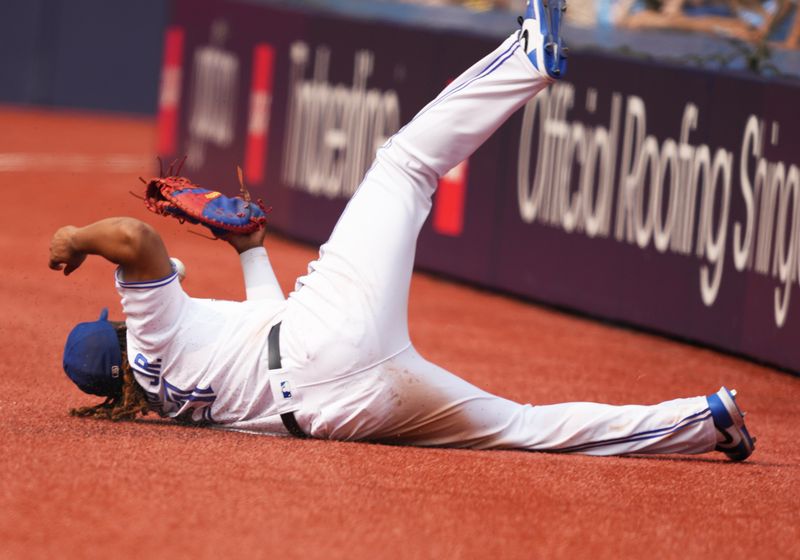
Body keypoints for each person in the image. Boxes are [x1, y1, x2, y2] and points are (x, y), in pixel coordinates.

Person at [49, 0, 755, 461]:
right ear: (118, 341)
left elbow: (258, 334)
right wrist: (77, 239)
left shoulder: (164, 398)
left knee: (526, 427)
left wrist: (252, 252)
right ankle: (528, 57)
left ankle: (707, 420)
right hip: (316, 341)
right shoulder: (150, 337)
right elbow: (136, 243)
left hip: (343, 405)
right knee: (403, 165)